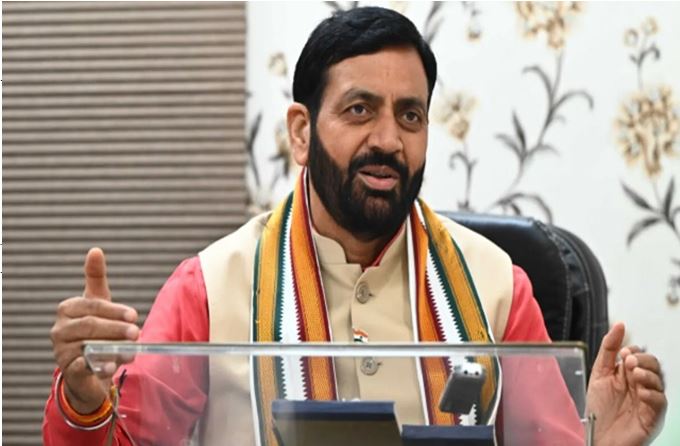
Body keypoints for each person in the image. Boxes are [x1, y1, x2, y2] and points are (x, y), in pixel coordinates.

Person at [43, 6, 666, 446]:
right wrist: (84, 399)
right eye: (360, 110)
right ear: (301, 132)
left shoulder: (498, 286)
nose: (389, 139)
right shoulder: (209, 288)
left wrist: (600, 443)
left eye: (410, 115)